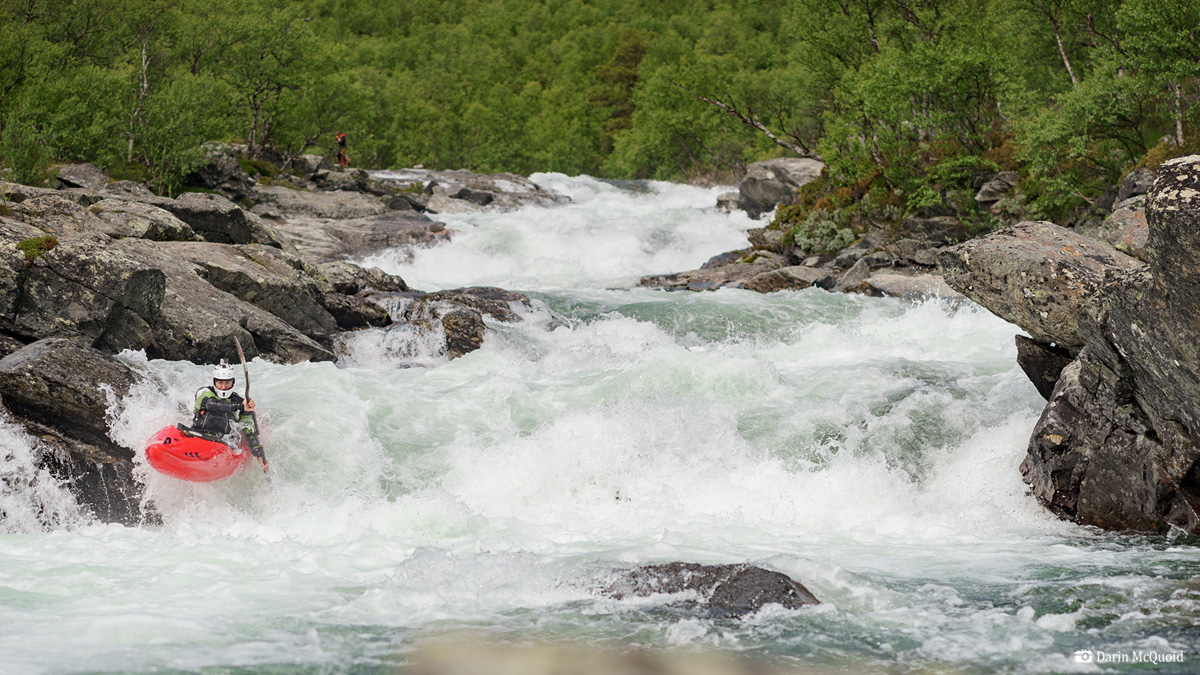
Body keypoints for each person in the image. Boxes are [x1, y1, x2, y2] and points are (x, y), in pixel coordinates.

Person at [191, 360, 268, 471]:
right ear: (214, 381)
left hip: (222, 444)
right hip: (198, 436)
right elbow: (213, 405)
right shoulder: (204, 393)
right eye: (220, 382)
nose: (223, 387)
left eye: (227, 383)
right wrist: (240, 406)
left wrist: (259, 457)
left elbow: (249, 430)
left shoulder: (240, 402)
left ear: (233, 382)